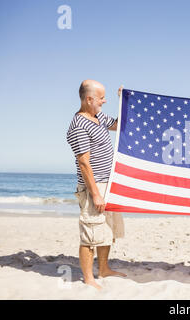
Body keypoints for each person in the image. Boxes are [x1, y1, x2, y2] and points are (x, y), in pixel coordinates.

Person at [66, 80, 126, 290]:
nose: (104, 101)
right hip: (94, 187)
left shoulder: (98, 116)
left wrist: (124, 101)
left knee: (106, 230)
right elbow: (84, 163)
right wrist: (96, 194)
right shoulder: (78, 125)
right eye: (101, 98)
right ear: (89, 99)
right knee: (90, 234)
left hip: (108, 183)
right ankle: (88, 278)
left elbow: (118, 125)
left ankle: (104, 269)